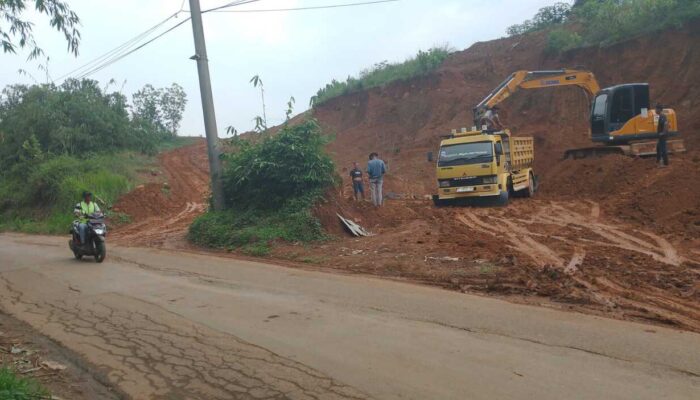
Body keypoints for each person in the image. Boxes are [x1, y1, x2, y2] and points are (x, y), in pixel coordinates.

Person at [655, 103, 669, 167]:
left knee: (663, 149)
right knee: (658, 147)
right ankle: (658, 160)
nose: (655, 110)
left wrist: (663, 132)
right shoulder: (661, 116)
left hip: (662, 136)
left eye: (656, 109)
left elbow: (666, 124)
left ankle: (665, 163)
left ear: (659, 109)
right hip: (661, 136)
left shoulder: (663, 116)